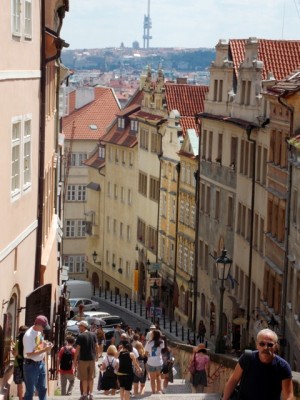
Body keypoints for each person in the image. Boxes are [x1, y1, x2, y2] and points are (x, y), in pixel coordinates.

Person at [222, 328, 294, 400]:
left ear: (275, 346)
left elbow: (289, 396)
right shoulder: (247, 358)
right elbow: (234, 380)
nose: (266, 347)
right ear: (257, 345)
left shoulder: (283, 366)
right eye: (262, 344)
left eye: (270, 344)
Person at [22, 315, 53, 400]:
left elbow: (39, 345)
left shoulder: (39, 332)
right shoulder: (28, 335)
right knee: (30, 391)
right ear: (38, 324)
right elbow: (29, 354)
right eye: (43, 327)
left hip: (40, 363)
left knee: (42, 389)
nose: (44, 329)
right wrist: (45, 350)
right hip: (30, 365)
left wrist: (46, 345)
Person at [74, 320, 99, 400]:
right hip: (92, 359)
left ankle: (85, 394)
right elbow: (97, 346)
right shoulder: (93, 335)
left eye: (79, 326)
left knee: (84, 378)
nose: (79, 327)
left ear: (83, 326)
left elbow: (77, 349)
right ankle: (91, 394)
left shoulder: (81, 336)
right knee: (91, 378)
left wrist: (75, 360)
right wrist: (97, 356)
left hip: (83, 360)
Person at [144, 329, 164, 394]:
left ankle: (153, 392)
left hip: (151, 362)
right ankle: (158, 390)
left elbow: (146, 353)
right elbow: (162, 350)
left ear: (153, 335)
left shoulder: (149, 343)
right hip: (159, 361)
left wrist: (149, 355)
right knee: (158, 376)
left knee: (152, 378)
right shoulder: (162, 342)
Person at [12, 325, 28, 400]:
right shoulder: (28, 342)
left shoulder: (18, 342)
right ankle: (27, 397)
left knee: (19, 383)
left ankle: (21, 398)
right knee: (28, 383)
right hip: (27, 363)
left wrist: (13, 350)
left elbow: (15, 354)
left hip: (18, 364)